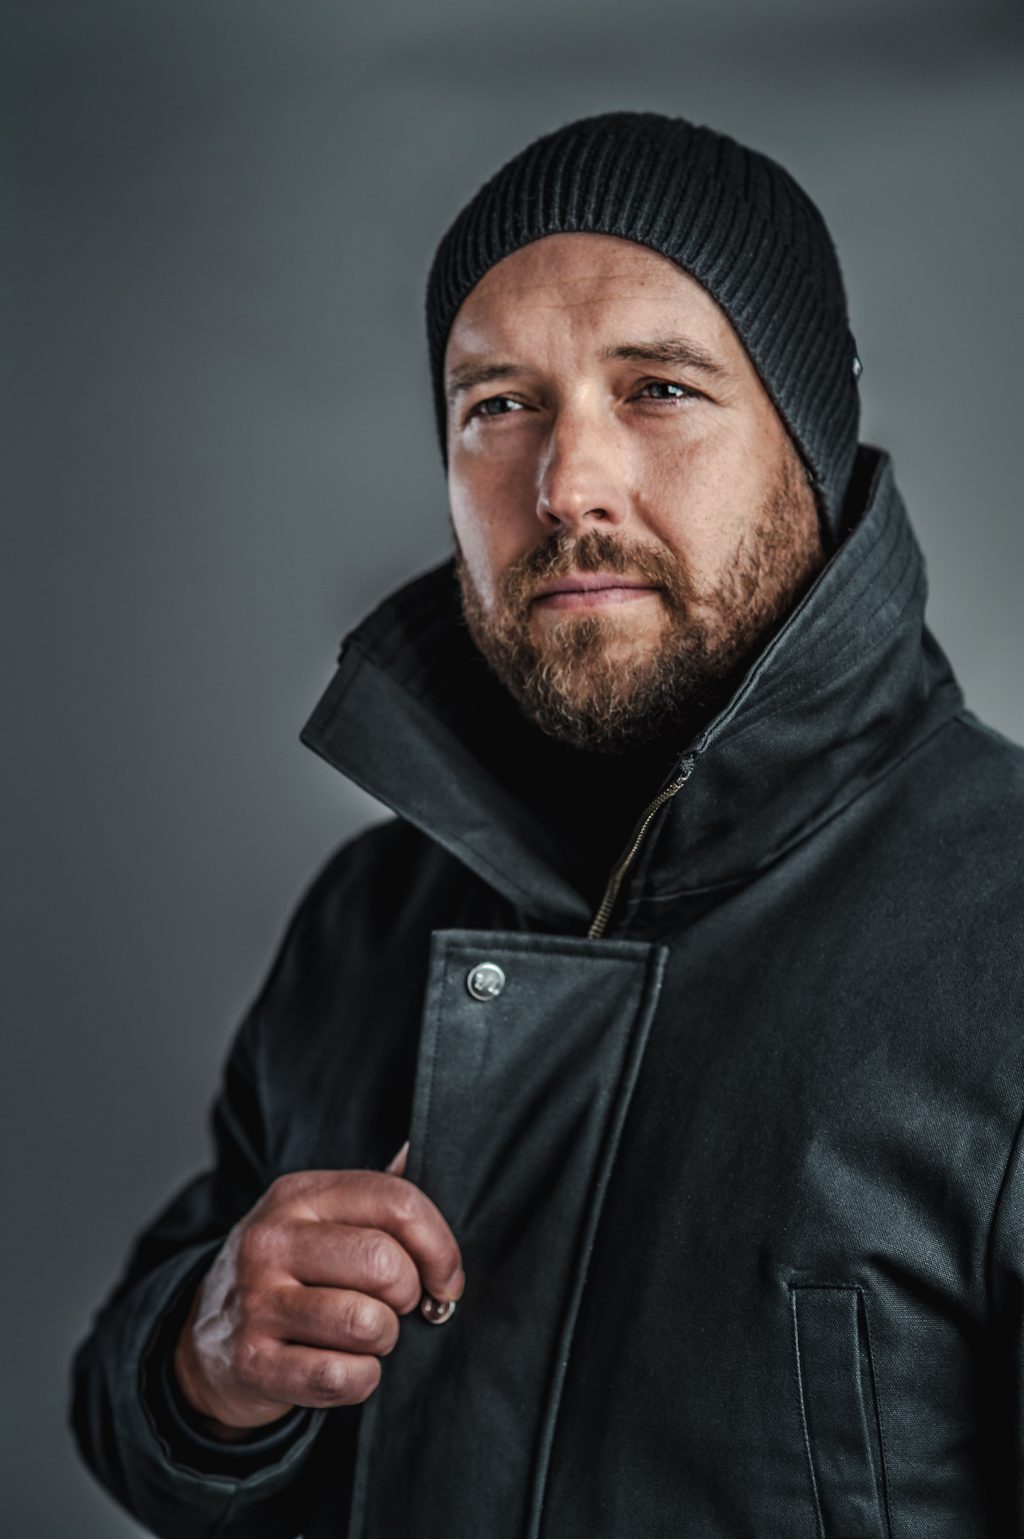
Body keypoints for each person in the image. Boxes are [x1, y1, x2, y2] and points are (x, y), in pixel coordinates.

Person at [71, 112, 1024, 1538]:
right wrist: (208, 1367)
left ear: (809, 444)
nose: (566, 483)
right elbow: (135, 1426)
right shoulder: (366, 918)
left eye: (660, 389)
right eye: (499, 405)